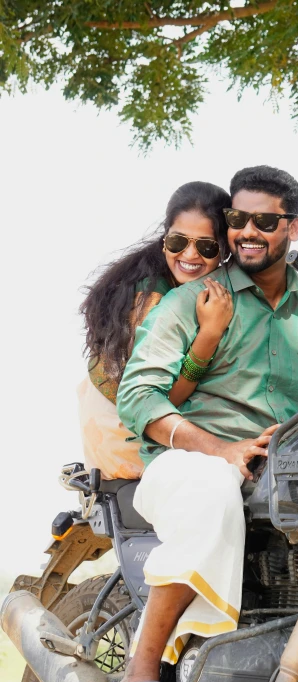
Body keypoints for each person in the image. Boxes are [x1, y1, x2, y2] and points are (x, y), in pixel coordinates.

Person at [104, 165, 298, 682]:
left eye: (264, 221)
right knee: (215, 485)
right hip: (184, 466)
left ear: (294, 228)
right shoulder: (194, 300)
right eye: (237, 219)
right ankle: (140, 676)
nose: (247, 232)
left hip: (275, 477)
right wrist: (221, 450)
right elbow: (139, 395)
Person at [78, 182, 233, 480]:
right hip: (120, 437)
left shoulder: (200, 290)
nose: (190, 254)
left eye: (206, 246)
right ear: (164, 241)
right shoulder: (153, 300)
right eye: (178, 242)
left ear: (224, 251)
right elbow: (155, 404)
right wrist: (209, 335)